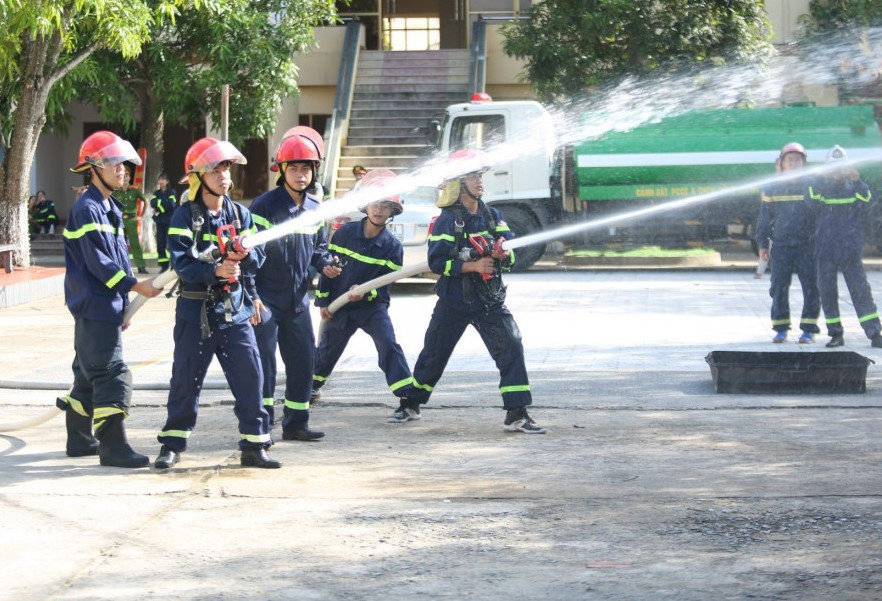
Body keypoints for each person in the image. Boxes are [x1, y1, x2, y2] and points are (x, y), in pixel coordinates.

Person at [388, 148, 545, 434]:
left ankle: (517, 414)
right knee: (434, 354)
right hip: (454, 301)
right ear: (458, 182)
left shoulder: (493, 216)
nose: (479, 181)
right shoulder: (447, 220)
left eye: (480, 175)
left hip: (489, 301)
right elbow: (436, 262)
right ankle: (410, 405)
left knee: (511, 345)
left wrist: (500, 254)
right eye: (472, 175)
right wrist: (471, 267)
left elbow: (512, 256)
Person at [152, 138, 279, 469]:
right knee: (185, 379)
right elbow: (180, 263)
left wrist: (245, 255)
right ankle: (172, 444)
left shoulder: (241, 214)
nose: (223, 175)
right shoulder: (184, 216)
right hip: (196, 314)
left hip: (234, 312)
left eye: (226, 167)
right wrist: (215, 270)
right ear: (198, 176)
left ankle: (255, 445)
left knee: (252, 376)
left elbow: (259, 258)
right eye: (215, 168)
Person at [57, 130, 162, 468]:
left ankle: (79, 438)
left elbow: (113, 260)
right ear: (94, 167)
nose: (123, 171)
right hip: (94, 305)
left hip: (101, 306)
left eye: (125, 165)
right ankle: (113, 447)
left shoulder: (108, 207)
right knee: (112, 374)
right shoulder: (88, 209)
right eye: (116, 164)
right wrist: (135, 286)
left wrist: (122, 304)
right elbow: (100, 264)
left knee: (88, 374)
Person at [249, 127, 341, 442]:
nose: (300, 175)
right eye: (294, 168)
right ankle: (260, 425)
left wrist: (326, 264)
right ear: (282, 171)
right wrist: (251, 296)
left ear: (314, 171)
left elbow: (318, 248)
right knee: (265, 364)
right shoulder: (263, 207)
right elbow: (250, 255)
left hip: (297, 301)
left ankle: (296, 423)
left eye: (306, 168)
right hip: (266, 299)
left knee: (304, 361)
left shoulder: (316, 209)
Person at [312, 169, 416, 406]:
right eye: (374, 203)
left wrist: (367, 291)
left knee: (388, 344)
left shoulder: (392, 247)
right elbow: (328, 270)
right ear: (365, 206)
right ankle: (311, 387)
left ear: (392, 211)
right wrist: (323, 302)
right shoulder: (345, 234)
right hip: (341, 305)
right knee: (327, 353)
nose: (379, 210)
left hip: (372, 309)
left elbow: (385, 285)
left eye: (385, 205)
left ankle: (408, 399)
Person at [806, 145, 882, 348]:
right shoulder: (820, 187)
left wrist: (858, 180)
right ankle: (836, 334)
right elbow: (811, 201)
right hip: (825, 250)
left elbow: (868, 202)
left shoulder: (854, 187)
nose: (838, 171)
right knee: (828, 292)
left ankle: (874, 332)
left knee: (860, 291)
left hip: (850, 249)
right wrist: (821, 177)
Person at [755, 142, 820, 343]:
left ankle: (808, 330)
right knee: (778, 288)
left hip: (808, 246)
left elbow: (823, 215)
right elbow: (764, 218)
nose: (794, 163)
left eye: (798, 160)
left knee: (811, 288)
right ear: (782, 163)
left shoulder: (813, 185)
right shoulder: (772, 188)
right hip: (782, 246)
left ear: (804, 163)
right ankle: (780, 328)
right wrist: (762, 244)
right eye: (789, 160)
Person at [116, 169, 148, 274]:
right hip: (119, 220)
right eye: (123, 175)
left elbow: (145, 201)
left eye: (127, 175)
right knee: (120, 244)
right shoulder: (115, 191)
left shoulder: (134, 190)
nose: (125, 178)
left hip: (131, 219)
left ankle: (141, 266)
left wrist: (141, 216)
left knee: (135, 244)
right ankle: (121, 267)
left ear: (129, 178)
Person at [149, 172, 178, 272]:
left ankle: (174, 264)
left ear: (167, 181)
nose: (161, 181)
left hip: (170, 221)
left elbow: (171, 204)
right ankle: (164, 266)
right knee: (160, 244)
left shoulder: (172, 192)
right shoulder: (156, 193)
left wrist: (159, 206)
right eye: (160, 179)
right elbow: (152, 203)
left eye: (163, 179)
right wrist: (162, 205)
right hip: (160, 222)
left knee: (171, 244)